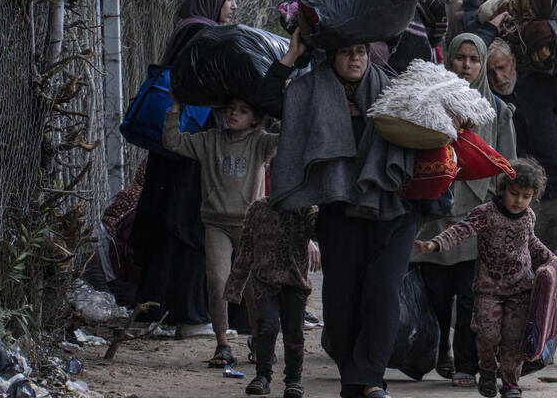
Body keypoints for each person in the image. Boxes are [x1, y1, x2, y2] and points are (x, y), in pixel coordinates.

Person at [256, 31, 416, 398]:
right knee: (342, 300)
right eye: (345, 52)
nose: (355, 59)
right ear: (331, 56)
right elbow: (265, 100)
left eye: (361, 51)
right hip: (339, 209)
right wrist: (293, 55)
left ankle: (372, 378)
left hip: (393, 208)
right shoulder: (310, 91)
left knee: (384, 293)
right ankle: (353, 380)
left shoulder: (393, 89)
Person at [129, 0, 237, 335]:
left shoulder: (185, 28)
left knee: (169, 223)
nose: (233, 6)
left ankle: (156, 310)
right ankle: (188, 314)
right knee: (191, 223)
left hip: (173, 143)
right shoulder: (202, 33)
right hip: (190, 146)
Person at [414, 33, 517, 388]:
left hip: (478, 217)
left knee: (472, 295)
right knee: (437, 293)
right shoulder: (428, 103)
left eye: (475, 59)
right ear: (449, 60)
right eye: (461, 58)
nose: (467, 66)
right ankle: (440, 349)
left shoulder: (498, 110)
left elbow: (507, 166)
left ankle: (466, 363)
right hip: (434, 215)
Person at [413, 158, 553, 398]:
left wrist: (553, 259)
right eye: (514, 193)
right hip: (488, 289)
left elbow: (530, 242)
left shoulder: (528, 216)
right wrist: (434, 244)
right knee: (487, 334)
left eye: (526, 196)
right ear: (502, 190)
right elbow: (461, 231)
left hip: (520, 289)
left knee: (513, 339)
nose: (519, 201)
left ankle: (510, 384)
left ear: (533, 197)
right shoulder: (485, 213)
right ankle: (487, 369)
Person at [162, 95, 279, 367]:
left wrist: (283, 101)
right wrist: (176, 108)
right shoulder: (209, 140)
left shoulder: (260, 141)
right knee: (217, 281)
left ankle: (259, 340)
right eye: (230, 109)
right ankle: (223, 345)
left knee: (253, 288)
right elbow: (173, 141)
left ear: (255, 118)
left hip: (251, 225)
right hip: (216, 224)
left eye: (243, 110)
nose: (234, 114)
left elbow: (288, 138)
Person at [483, 38, 557, 253]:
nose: (498, 78)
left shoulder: (546, 85)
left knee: (556, 265)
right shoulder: (488, 101)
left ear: (513, 61)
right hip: (514, 197)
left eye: (502, 68)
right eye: (490, 72)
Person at [225, 200, 319, 397]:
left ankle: (293, 379)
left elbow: (320, 230)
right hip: (264, 280)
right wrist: (235, 285)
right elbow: (246, 247)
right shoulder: (258, 208)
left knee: (294, 333)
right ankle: (262, 376)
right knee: (267, 326)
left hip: (295, 283)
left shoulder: (304, 208)